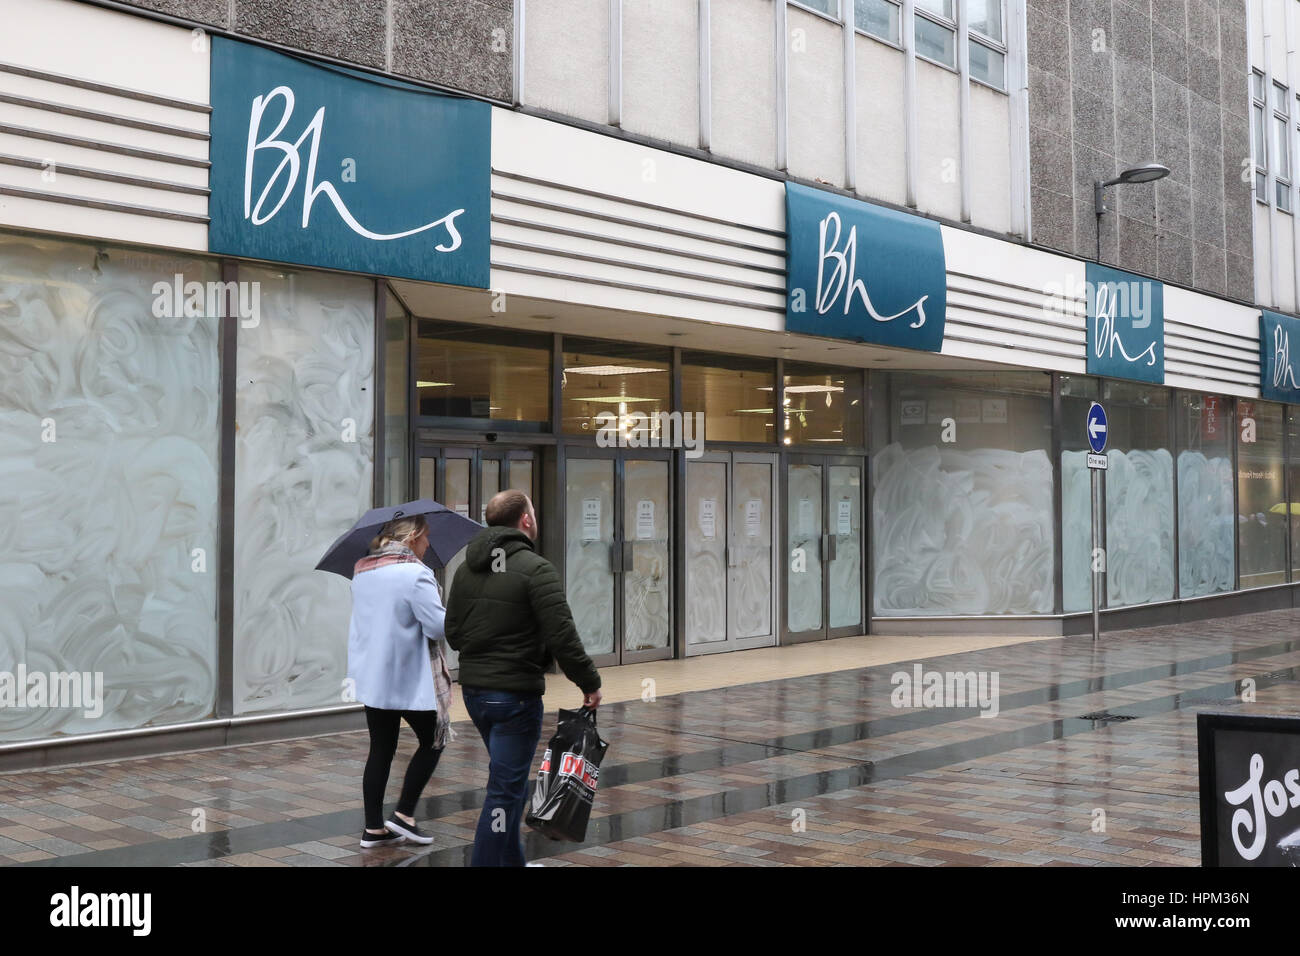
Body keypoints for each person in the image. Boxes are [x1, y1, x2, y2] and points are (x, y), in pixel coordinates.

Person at [446, 490, 602, 867]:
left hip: (477, 696)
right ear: (526, 521)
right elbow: (563, 635)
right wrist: (589, 682)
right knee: (503, 790)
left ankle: (513, 861)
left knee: (509, 783)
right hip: (514, 697)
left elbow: (452, 632)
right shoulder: (536, 569)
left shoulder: (466, 570)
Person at [347, 514, 454, 849]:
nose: (428, 545)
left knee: (381, 748)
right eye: (426, 539)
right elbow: (437, 628)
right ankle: (404, 815)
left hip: (374, 677)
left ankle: (373, 829)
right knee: (434, 739)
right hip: (410, 678)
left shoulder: (363, 570)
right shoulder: (415, 575)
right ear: (413, 537)